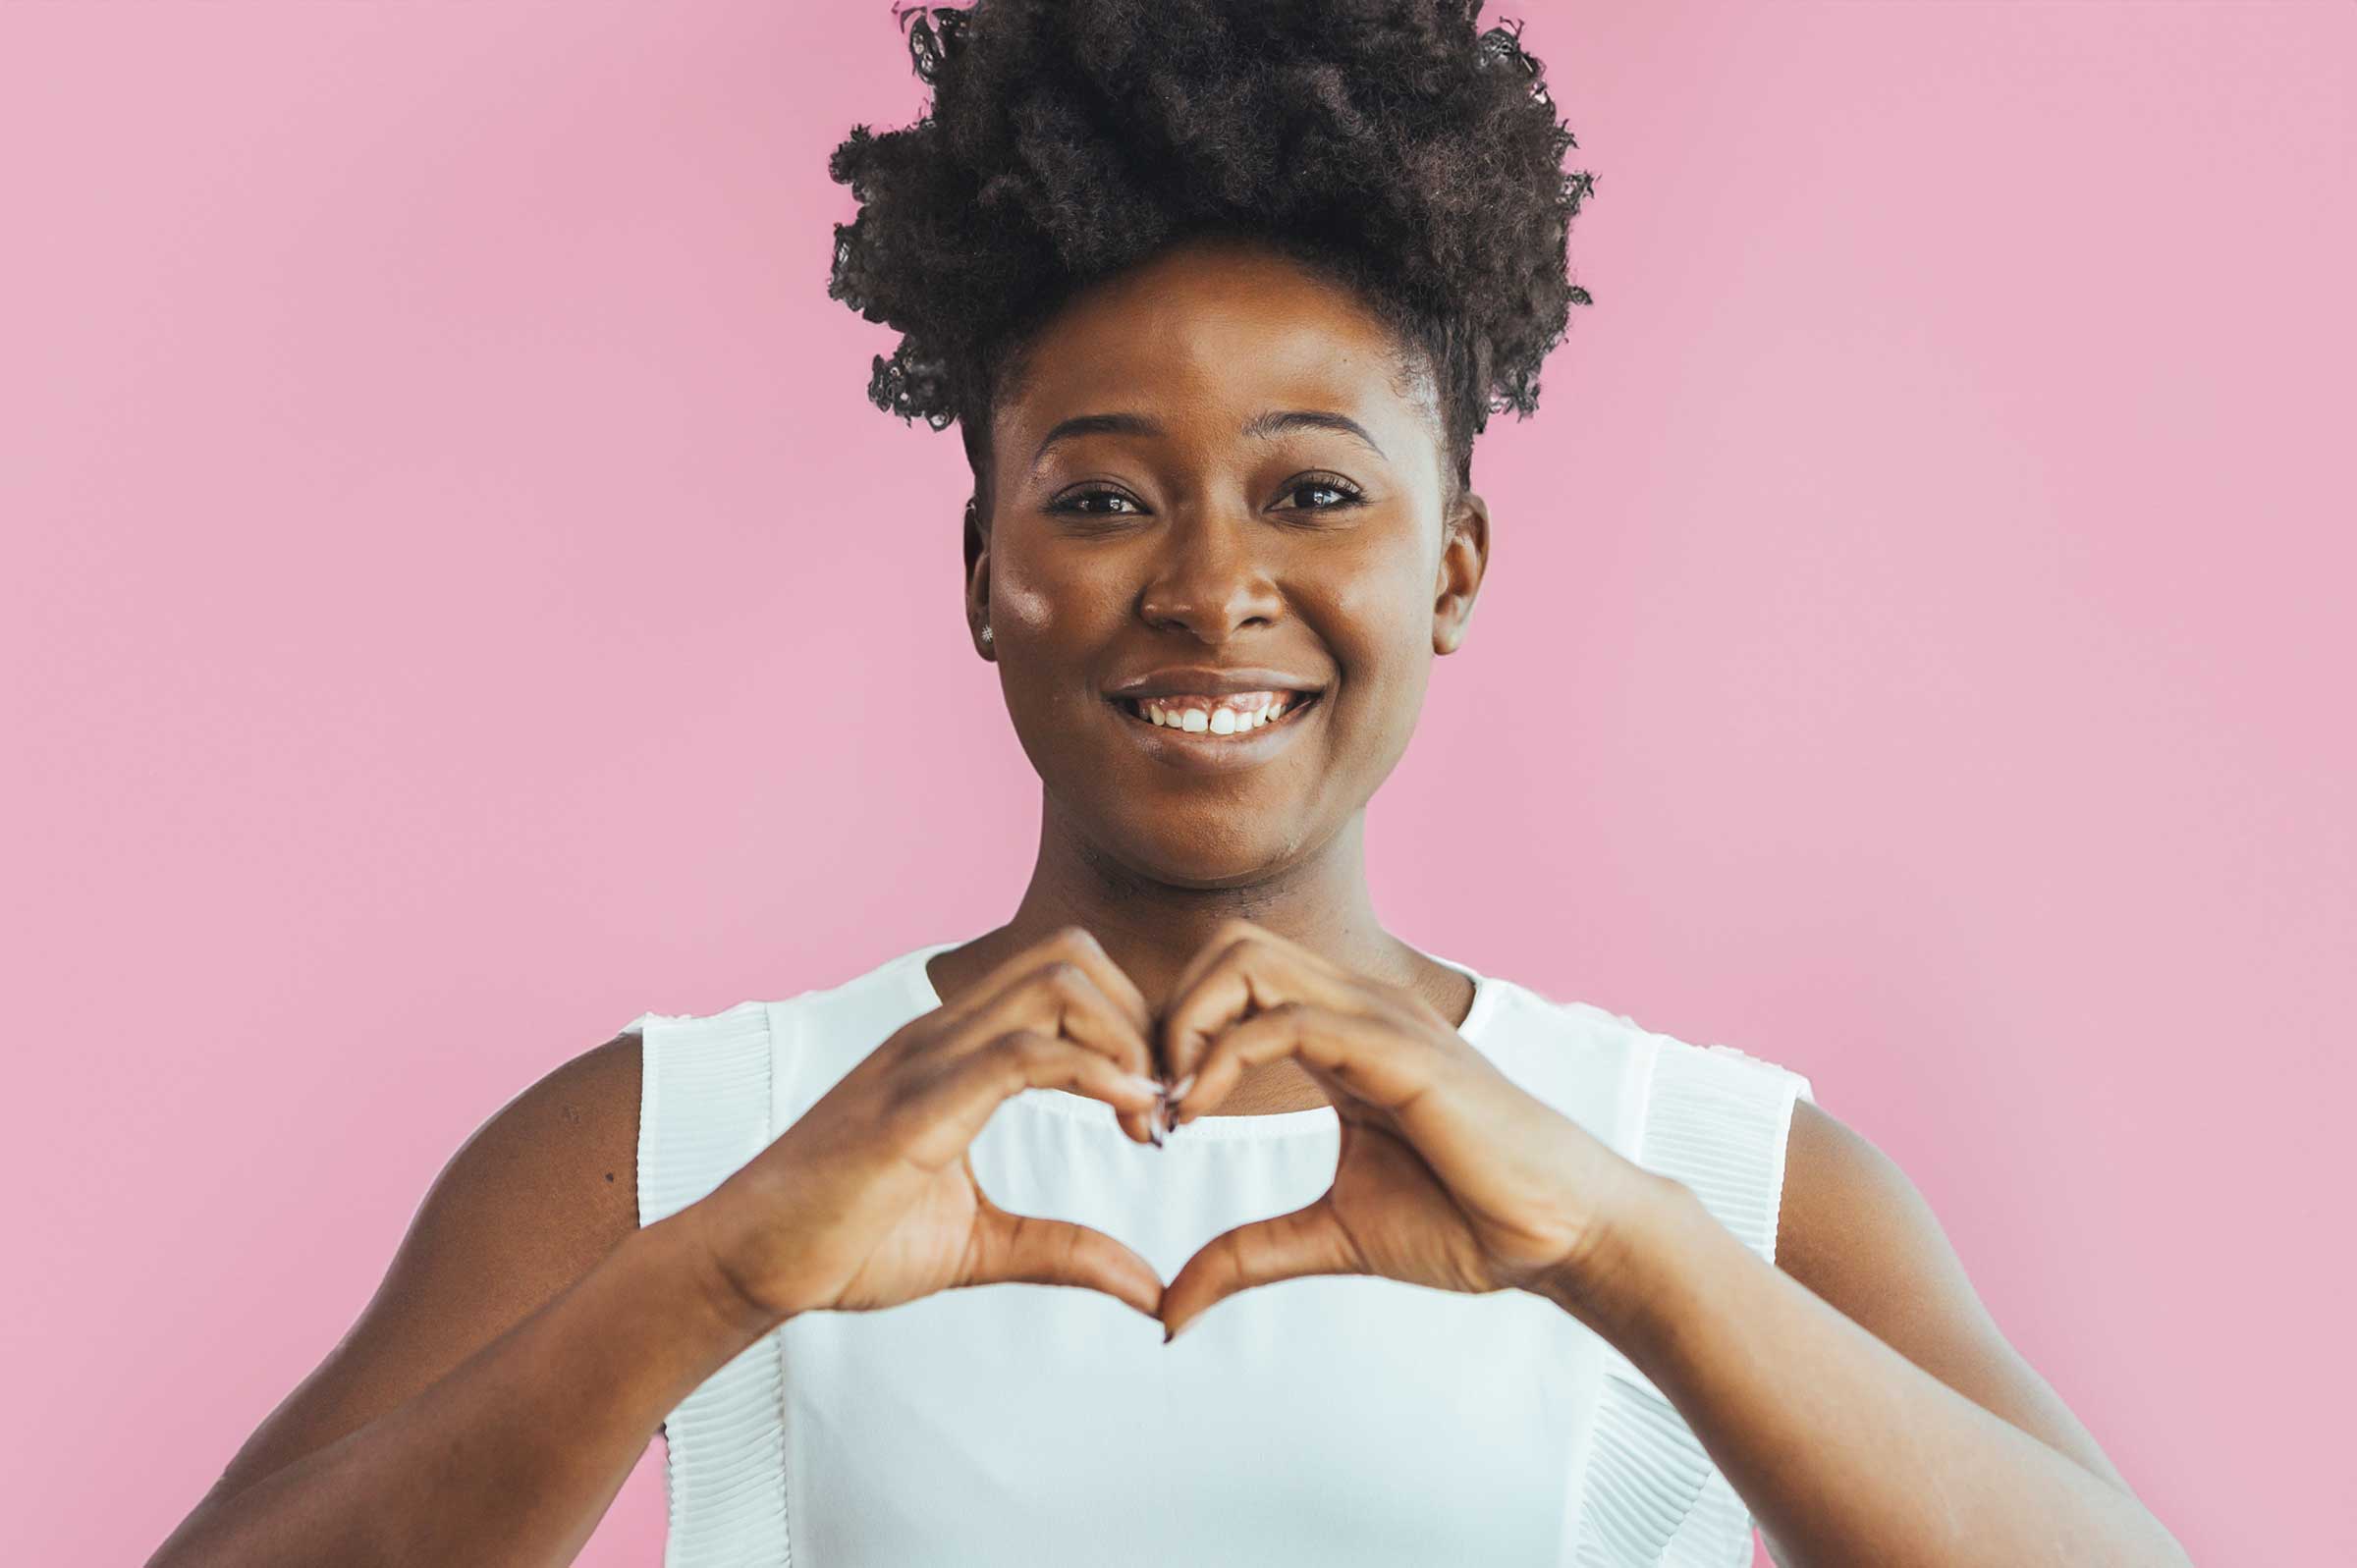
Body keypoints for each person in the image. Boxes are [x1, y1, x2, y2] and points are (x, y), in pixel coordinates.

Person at [149, 3, 2190, 1565]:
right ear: (983, 571)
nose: (1213, 589)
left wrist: (1623, 1253)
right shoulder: (692, 1138)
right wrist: (720, 1272)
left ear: (1453, 567)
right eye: (1106, 497)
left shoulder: (1702, 1169)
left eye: (1313, 492)